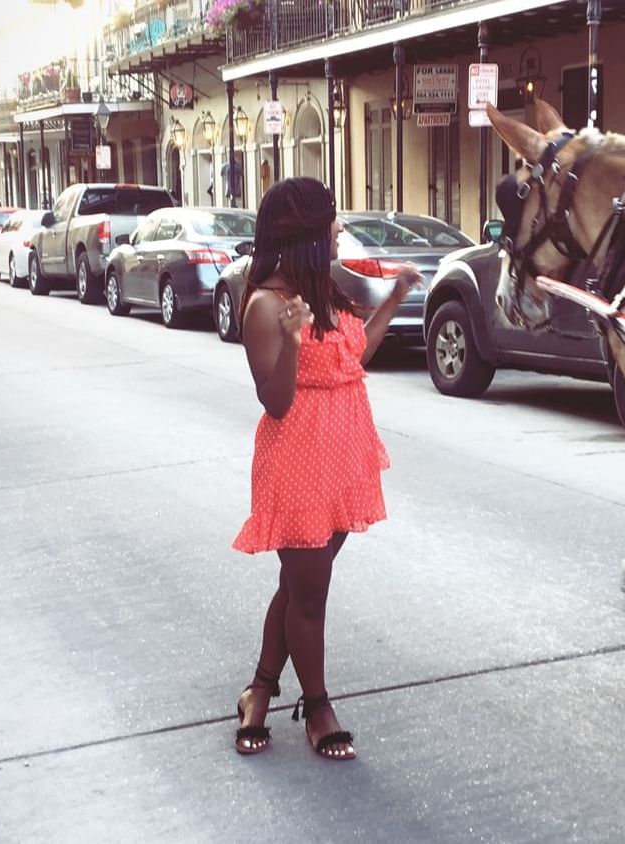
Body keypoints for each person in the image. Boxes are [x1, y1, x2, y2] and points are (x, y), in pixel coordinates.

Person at [231, 177, 420, 761]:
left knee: (298, 585)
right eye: (331, 221)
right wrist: (289, 340)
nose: (340, 229)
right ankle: (316, 706)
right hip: (298, 465)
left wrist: (393, 300)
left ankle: (258, 691)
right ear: (306, 234)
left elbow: (353, 356)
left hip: (342, 457)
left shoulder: (324, 290)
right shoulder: (266, 305)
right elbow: (278, 401)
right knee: (310, 595)